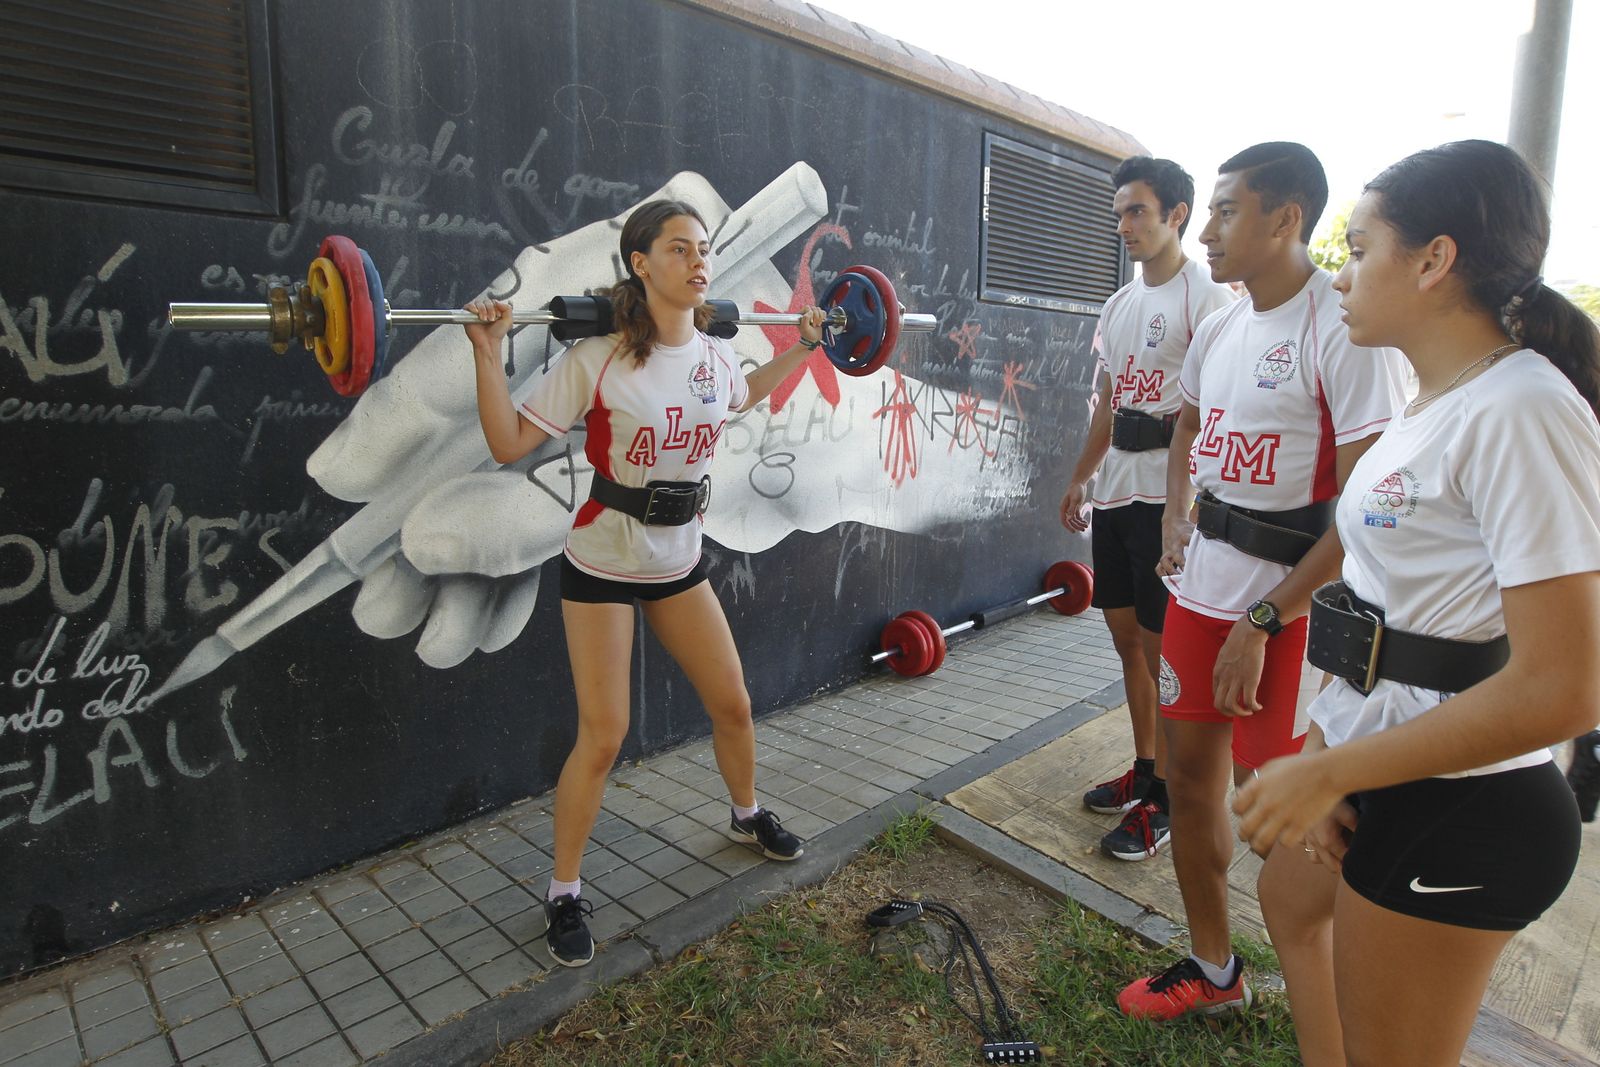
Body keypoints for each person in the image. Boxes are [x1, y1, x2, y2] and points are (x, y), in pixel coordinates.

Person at [1232, 139, 1600, 1067]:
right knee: (1288, 899)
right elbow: (1376, 606)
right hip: (1382, 769)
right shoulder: (1430, 402)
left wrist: (1326, 774)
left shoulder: (1522, 408)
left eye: (1359, 249)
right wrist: (1327, 751)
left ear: (1435, 260)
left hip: (1467, 804)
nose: (1341, 272)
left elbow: (1568, 687)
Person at [463, 199, 827, 967]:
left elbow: (744, 391)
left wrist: (802, 349)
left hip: (679, 560)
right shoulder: (597, 358)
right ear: (640, 264)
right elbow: (506, 443)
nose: (699, 262)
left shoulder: (715, 354)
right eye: (679, 249)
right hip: (601, 562)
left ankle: (745, 813)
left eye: (704, 250)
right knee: (605, 735)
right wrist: (485, 351)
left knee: (732, 701)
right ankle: (563, 890)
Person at [1115, 143, 1410, 1020]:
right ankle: (1214, 972)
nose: (1204, 230)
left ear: (1285, 220)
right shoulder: (1221, 325)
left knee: (1297, 826)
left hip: (1292, 620)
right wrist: (1176, 513)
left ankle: (1340, 1011)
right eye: (1205, 212)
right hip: (1200, 596)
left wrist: (1266, 619)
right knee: (1191, 784)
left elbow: (1365, 518)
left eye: (1226, 211)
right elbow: (1187, 426)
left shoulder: (1343, 329)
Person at [1061, 156, 1235, 861]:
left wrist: (1191, 507)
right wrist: (1080, 476)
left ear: (1177, 214)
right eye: (1119, 213)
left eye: (1137, 210)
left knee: (1167, 655)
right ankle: (1143, 768)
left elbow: (1215, 414)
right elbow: (1107, 402)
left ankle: (1164, 799)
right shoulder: (1119, 304)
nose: (1125, 224)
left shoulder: (1207, 298)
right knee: (1127, 640)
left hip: (1170, 499)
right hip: (1116, 491)